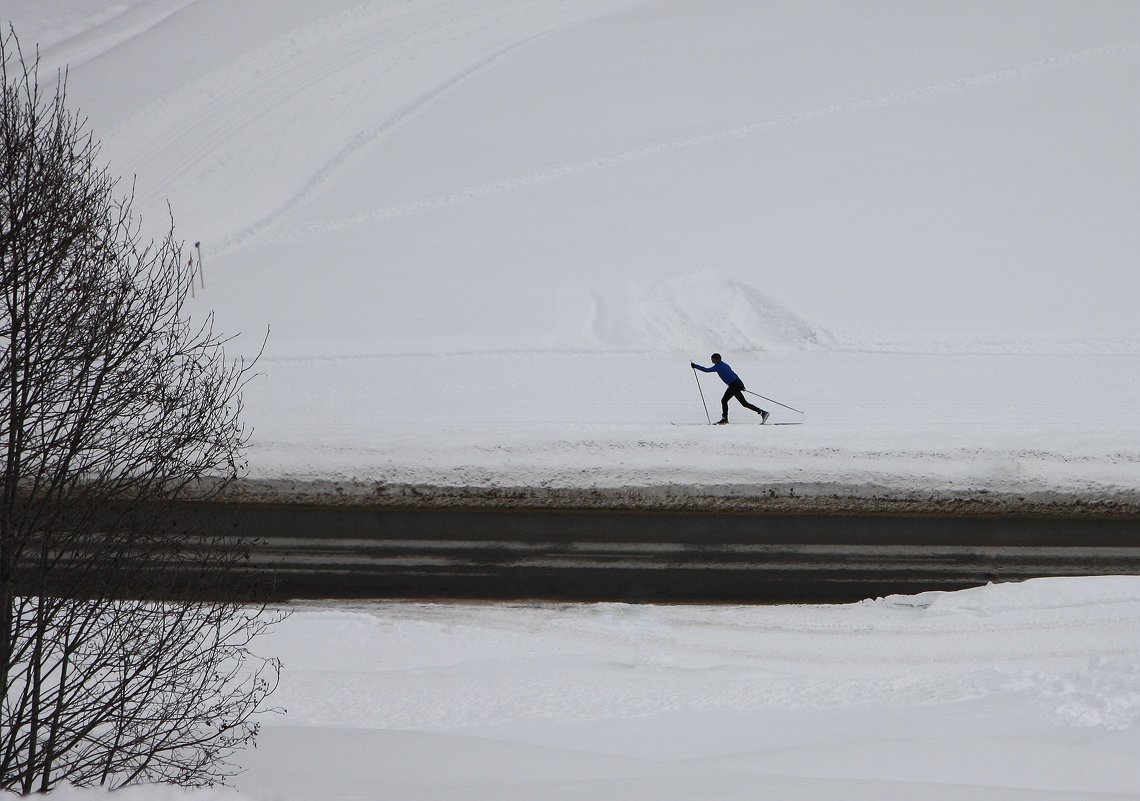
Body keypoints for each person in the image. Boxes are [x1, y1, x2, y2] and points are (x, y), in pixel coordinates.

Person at [691, 353, 769, 425]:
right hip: (735, 384)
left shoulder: (718, 366)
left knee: (737, 402)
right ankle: (762, 413)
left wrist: (695, 366)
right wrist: (741, 384)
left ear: (717, 359)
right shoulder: (724, 365)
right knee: (734, 402)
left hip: (733, 385)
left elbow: (706, 370)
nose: (711, 360)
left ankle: (762, 413)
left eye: (712, 359)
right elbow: (734, 374)